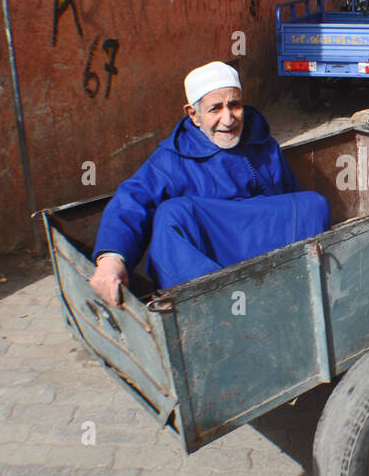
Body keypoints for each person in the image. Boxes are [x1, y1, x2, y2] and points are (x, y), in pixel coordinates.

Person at [89, 61, 331, 303]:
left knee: (313, 204)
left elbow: (286, 201)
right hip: (212, 263)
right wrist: (111, 258)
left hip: (261, 244)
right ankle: (213, 302)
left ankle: (289, 286)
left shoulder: (263, 145)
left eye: (234, 105)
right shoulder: (172, 159)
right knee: (172, 215)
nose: (228, 119)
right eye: (215, 109)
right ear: (193, 115)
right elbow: (131, 202)